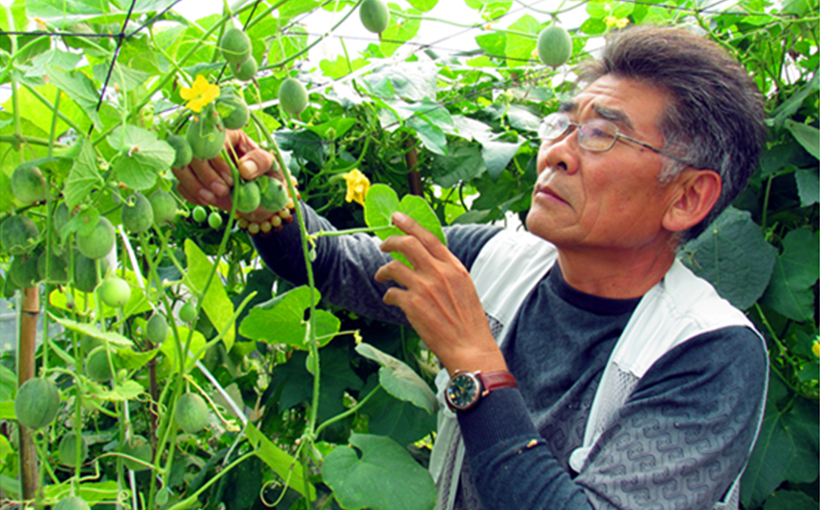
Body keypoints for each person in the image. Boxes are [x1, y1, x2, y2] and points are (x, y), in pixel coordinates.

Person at [174, 25, 769, 510]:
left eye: (600, 135)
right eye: (563, 125)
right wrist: (267, 205)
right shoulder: (495, 258)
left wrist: (475, 365)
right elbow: (336, 264)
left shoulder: (710, 353)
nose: (557, 153)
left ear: (687, 197)